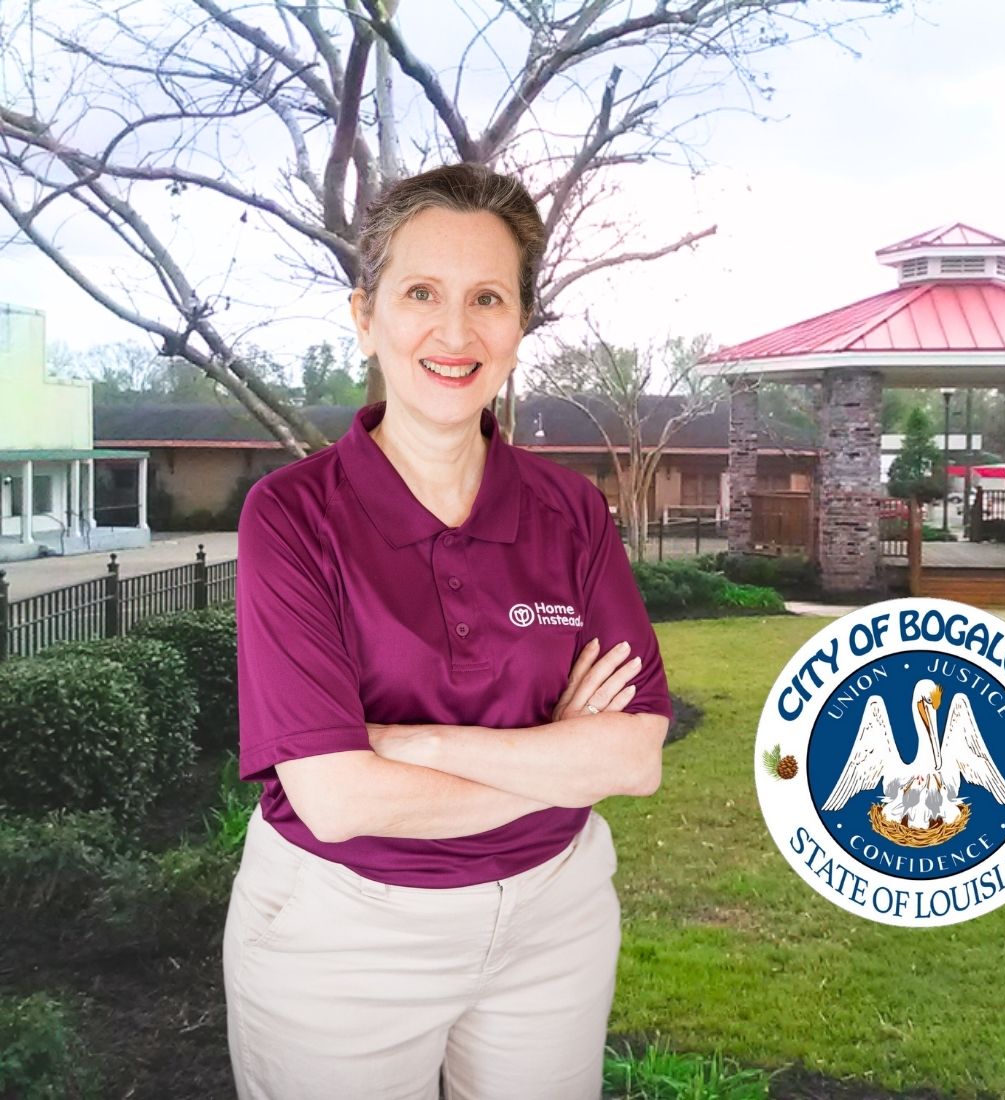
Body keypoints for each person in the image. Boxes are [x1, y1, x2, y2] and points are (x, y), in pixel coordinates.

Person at [222, 162, 673, 1100]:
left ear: (519, 323)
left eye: (489, 298)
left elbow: (631, 759)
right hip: (345, 935)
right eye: (421, 292)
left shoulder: (571, 512)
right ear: (365, 313)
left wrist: (412, 746)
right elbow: (340, 801)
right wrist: (555, 759)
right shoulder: (293, 516)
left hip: (556, 919)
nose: (456, 332)